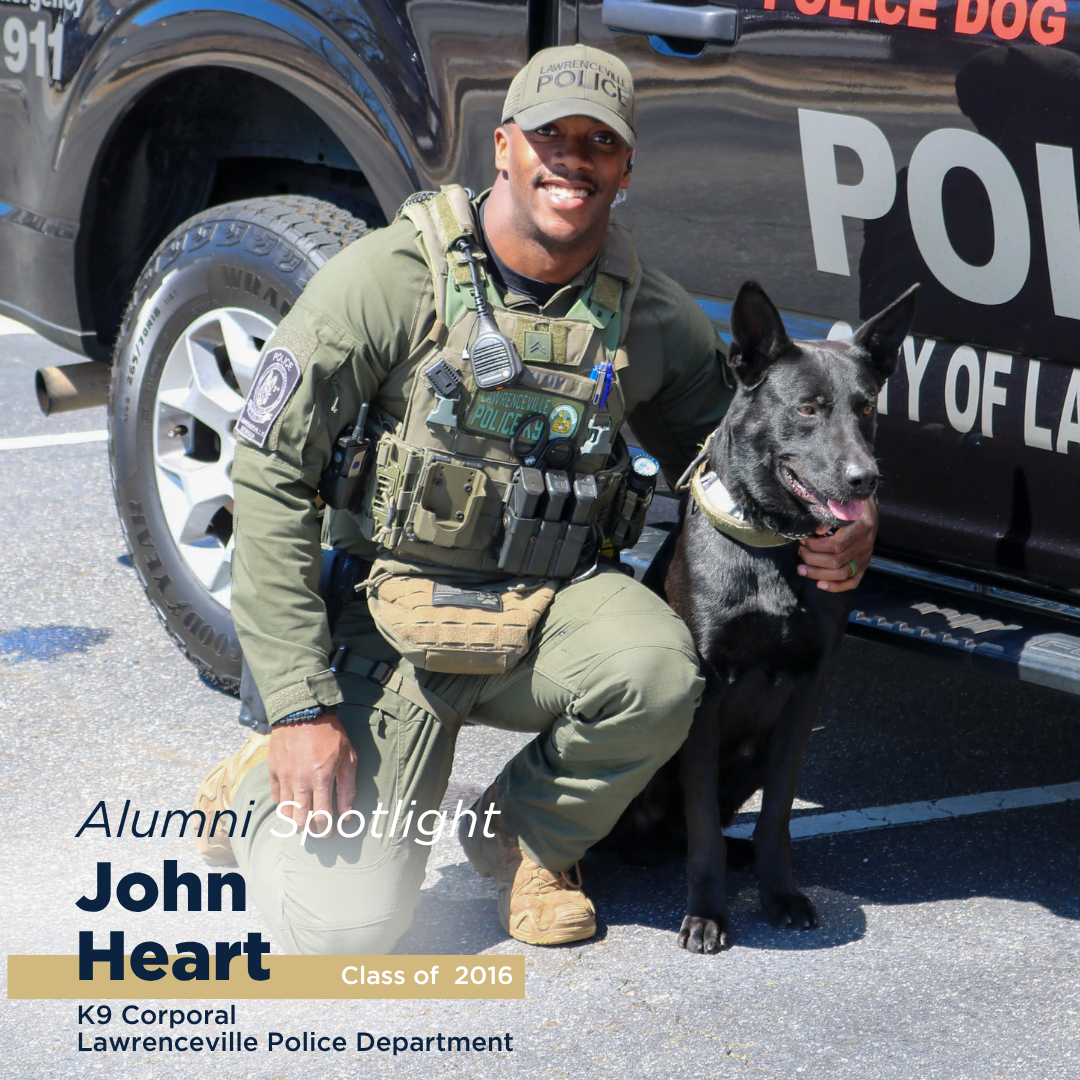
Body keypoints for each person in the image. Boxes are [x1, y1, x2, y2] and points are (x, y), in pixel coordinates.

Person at [193, 44, 877, 954]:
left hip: (547, 611)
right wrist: (295, 708)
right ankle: (247, 784)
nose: (573, 157)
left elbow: (753, 460)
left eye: (600, 141)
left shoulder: (649, 314)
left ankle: (527, 840)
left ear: (625, 169)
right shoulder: (391, 279)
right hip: (388, 627)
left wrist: (849, 527)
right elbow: (270, 475)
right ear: (505, 147)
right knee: (338, 934)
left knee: (663, 670)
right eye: (551, 135)